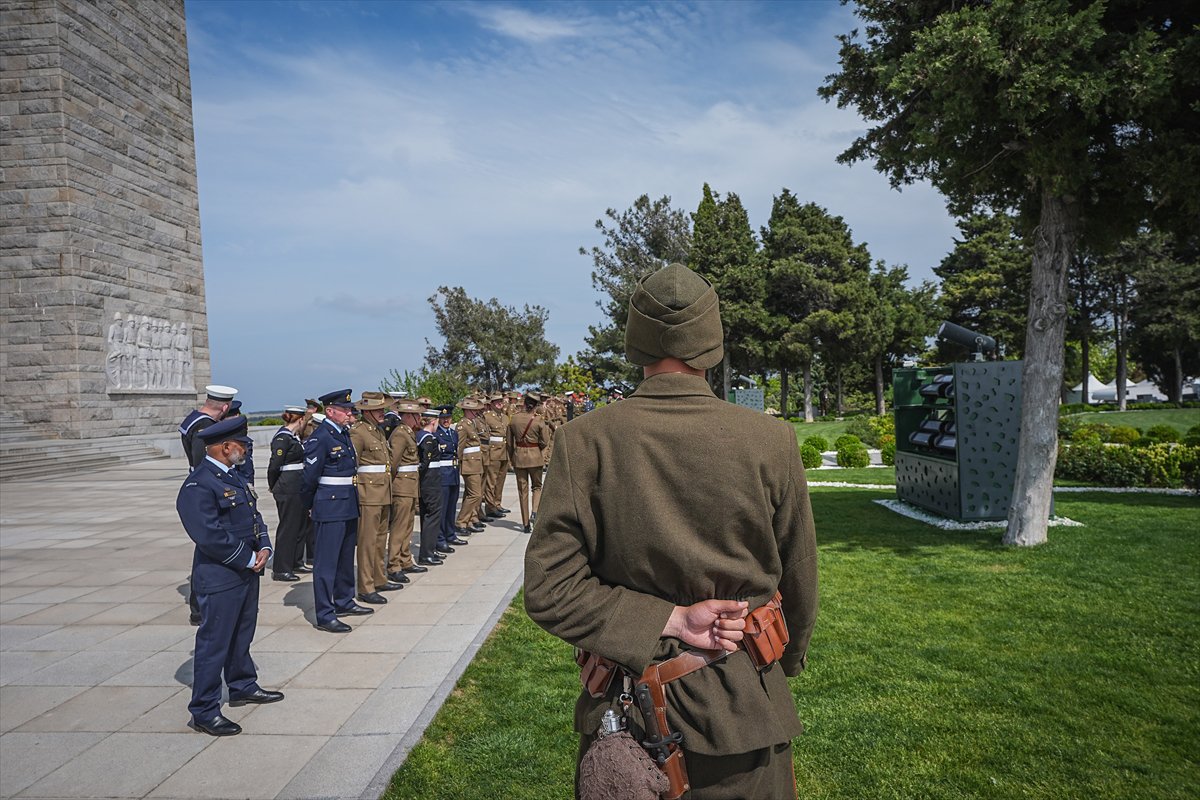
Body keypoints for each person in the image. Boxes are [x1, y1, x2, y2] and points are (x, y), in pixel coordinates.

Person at [524, 263, 818, 799]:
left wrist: (665, 620)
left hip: (626, 711)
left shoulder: (583, 441)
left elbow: (550, 590)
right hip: (744, 706)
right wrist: (782, 661)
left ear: (635, 341)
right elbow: (799, 578)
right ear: (712, 343)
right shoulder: (771, 440)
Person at [176, 416, 283, 736]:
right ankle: (204, 710)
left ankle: (242, 685)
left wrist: (264, 545)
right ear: (225, 447)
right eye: (242, 445)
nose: (247, 450)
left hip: (246, 571)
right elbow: (208, 534)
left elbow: (254, 516)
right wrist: (248, 558)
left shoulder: (232, 475)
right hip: (221, 575)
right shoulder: (199, 484)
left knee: (241, 634)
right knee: (215, 643)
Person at [302, 389, 374, 633]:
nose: (349, 413)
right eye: (344, 410)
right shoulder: (320, 437)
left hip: (347, 503)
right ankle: (325, 613)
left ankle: (344, 600)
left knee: (344, 558)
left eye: (349, 410)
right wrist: (311, 505)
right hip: (330, 506)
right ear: (330, 411)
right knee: (326, 562)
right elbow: (309, 478)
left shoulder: (343, 434)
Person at [178, 384, 238, 625]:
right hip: (208, 492)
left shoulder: (195, 420)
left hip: (205, 489)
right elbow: (204, 465)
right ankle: (199, 607)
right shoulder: (205, 427)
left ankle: (204, 603)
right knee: (208, 547)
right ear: (224, 408)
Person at [349, 393, 402, 605]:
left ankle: (379, 578)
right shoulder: (358, 431)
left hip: (383, 492)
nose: (383, 412)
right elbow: (352, 464)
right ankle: (366, 586)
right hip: (368, 494)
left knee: (380, 540)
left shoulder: (377, 430)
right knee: (367, 543)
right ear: (367, 411)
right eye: (378, 409)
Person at [266, 405, 309, 581]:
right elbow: (274, 466)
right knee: (288, 527)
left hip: (297, 485)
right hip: (287, 486)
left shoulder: (293, 437)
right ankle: (281, 568)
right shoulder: (282, 438)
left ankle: (296, 561)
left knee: (300, 525)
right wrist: (273, 485)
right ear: (300, 420)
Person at [385, 400, 427, 583]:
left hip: (410, 485)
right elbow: (393, 463)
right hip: (402, 486)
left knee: (408, 525)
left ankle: (405, 558)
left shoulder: (408, 432)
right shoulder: (400, 434)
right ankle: (393, 565)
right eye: (417, 415)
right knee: (399, 527)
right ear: (409, 416)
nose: (420, 418)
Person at [507, 392, 550, 533]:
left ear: (524, 403)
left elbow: (509, 443)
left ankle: (525, 524)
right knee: (537, 487)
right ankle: (535, 511)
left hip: (519, 457)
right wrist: (539, 452)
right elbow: (545, 441)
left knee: (522, 491)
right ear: (536, 406)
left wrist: (512, 457)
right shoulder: (538, 420)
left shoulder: (514, 419)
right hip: (535, 456)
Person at [414, 407, 446, 567]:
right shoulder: (428, 439)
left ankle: (430, 549)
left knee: (428, 516)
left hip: (428, 481)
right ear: (433, 422)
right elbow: (425, 463)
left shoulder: (420, 436)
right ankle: (427, 553)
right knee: (432, 515)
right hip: (430, 481)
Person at [435, 405, 469, 551]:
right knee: (442, 508)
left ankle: (450, 534)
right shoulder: (436, 434)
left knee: (451, 507)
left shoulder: (453, 433)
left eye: (448, 418)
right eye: (443, 418)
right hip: (443, 474)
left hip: (454, 473)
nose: (446, 421)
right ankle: (440, 538)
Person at [454, 398, 488, 534]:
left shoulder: (471, 423)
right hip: (469, 464)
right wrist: (458, 464)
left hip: (475, 463)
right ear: (467, 410)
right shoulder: (463, 425)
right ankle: (461, 522)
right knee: (475, 494)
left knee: (470, 493)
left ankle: (468, 521)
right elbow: (459, 447)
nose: (476, 412)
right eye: (474, 410)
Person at [482, 393, 510, 519]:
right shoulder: (487, 416)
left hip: (504, 451)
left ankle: (497, 503)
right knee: (491, 481)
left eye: (501, 401)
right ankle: (490, 507)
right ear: (492, 404)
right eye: (496, 401)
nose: (499, 403)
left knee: (500, 480)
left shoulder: (505, 417)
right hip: (493, 451)